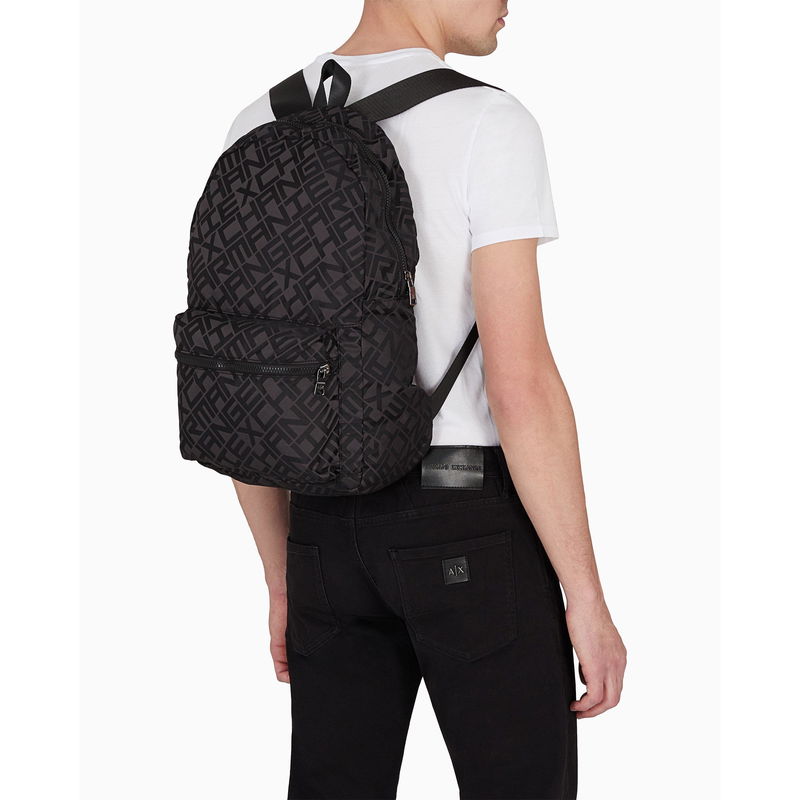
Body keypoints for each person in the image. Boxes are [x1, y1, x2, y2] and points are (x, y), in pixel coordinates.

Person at [225, 1, 626, 798]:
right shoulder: (487, 123)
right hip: (463, 520)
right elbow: (520, 385)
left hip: (319, 529)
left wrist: (282, 574)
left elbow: (250, 390)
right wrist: (586, 598)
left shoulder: (256, 125)